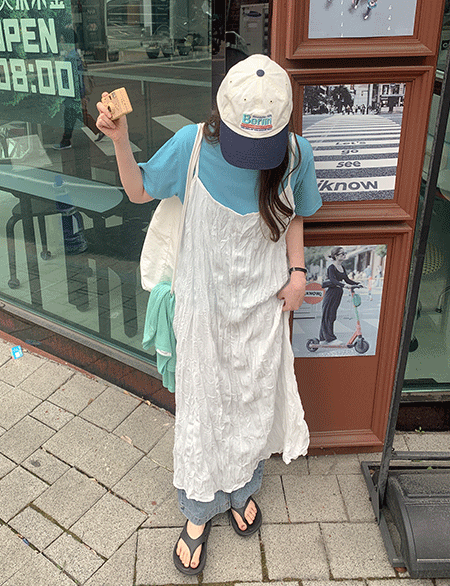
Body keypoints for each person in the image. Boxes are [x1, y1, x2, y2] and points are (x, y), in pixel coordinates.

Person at [96, 54, 322, 575]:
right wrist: (120, 139)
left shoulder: (295, 153)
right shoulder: (192, 145)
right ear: (223, 116)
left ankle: (242, 488)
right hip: (202, 308)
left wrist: (298, 272)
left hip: (262, 304)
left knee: (251, 398)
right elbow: (138, 190)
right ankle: (198, 509)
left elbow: (296, 216)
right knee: (201, 405)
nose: (254, 160)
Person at [319, 247, 359, 345]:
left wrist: (357, 284)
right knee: (328, 315)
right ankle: (330, 339)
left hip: (338, 292)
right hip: (331, 293)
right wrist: (344, 286)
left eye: (344, 253)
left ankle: (323, 338)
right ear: (336, 256)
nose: (344, 255)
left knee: (332, 315)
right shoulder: (331, 268)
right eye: (342, 254)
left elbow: (347, 279)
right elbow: (333, 280)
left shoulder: (342, 267)